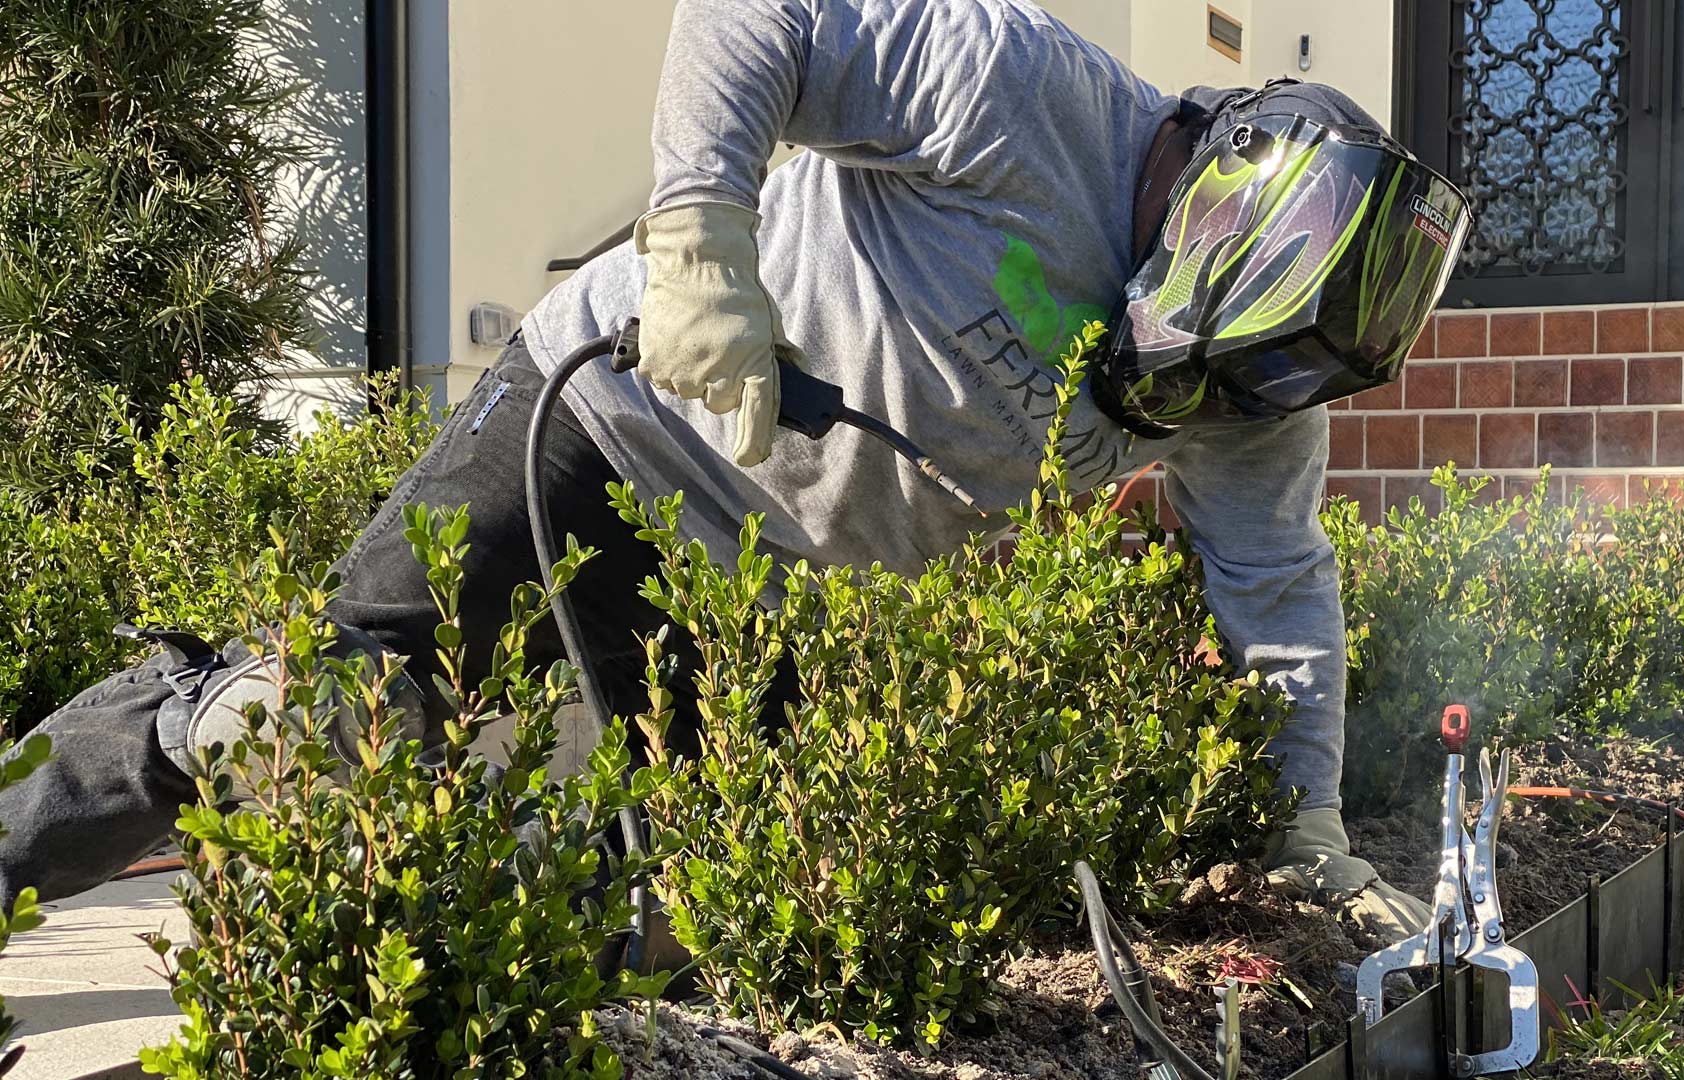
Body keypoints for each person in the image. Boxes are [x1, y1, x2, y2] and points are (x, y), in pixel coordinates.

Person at [0, 0, 1466, 939]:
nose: (1207, 408)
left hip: (775, 590)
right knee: (321, 720)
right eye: (1210, 360)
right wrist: (701, 238)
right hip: (603, 429)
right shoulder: (1021, 86)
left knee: (685, 917)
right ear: (1214, 195)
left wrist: (1307, 829)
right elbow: (759, 14)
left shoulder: (1258, 391)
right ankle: (146, 753)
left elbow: (1278, 591)